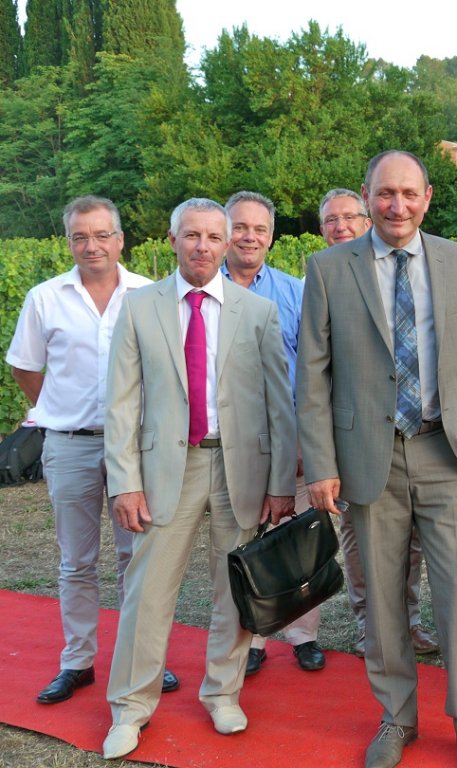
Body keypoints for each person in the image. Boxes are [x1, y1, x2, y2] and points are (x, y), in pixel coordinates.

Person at [298, 151, 457, 768]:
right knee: (384, 594)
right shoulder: (329, 268)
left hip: (446, 451)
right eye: (385, 193)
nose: (397, 205)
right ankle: (396, 717)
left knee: (456, 594)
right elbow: (312, 376)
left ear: (428, 196)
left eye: (409, 194)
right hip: (369, 458)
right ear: (367, 195)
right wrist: (321, 463)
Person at [101, 198, 297, 760]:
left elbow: (278, 404)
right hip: (169, 466)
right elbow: (120, 403)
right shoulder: (140, 306)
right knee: (147, 591)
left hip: (241, 468)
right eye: (192, 236)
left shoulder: (255, 311)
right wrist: (125, 483)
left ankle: (223, 692)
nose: (203, 246)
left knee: (234, 589)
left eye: (215, 237)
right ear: (172, 239)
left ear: (228, 241)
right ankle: (131, 707)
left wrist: (281, 482)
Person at [5, 196, 180, 703]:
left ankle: (141, 659)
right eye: (80, 236)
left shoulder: (150, 295)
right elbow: (24, 365)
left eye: (102, 234)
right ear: (69, 242)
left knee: (137, 558)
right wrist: (55, 410)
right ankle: (78, 661)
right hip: (71, 447)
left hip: (136, 450)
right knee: (76, 562)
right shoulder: (44, 298)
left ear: (120, 239)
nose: (92, 245)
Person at [317, 188, 439, 659]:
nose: (341, 225)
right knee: (359, 544)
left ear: (367, 219)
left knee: (408, 544)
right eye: (331, 219)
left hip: (407, 435)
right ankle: (370, 622)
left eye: (350, 216)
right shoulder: (322, 276)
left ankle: (406, 622)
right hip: (350, 442)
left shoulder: (393, 274)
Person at [221, 190, 325, 675]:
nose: (249, 237)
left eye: (259, 229)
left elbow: (313, 369)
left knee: (298, 537)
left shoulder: (293, 291)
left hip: (289, 436)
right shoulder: (203, 290)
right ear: (225, 231)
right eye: (240, 227)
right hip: (230, 441)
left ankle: (304, 634)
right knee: (245, 539)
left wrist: (307, 439)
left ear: (271, 236)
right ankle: (254, 639)